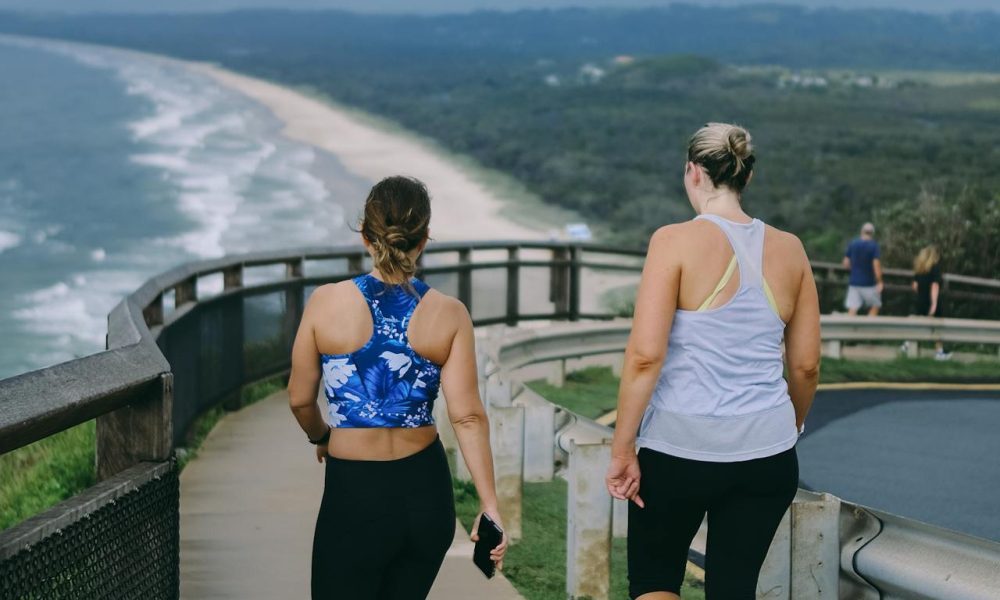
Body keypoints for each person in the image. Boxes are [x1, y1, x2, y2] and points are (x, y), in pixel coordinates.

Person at [606, 123, 821, 600]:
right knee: (733, 587)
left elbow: (645, 357)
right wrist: (791, 425)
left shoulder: (673, 241)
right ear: (747, 177)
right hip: (766, 453)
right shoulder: (791, 250)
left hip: (678, 448)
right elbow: (805, 366)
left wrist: (623, 450)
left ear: (693, 172)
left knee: (655, 580)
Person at [287, 175, 508, 599]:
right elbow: (467, 416)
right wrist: (489, 506)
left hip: (355, 495)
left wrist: (322, 436)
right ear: (423, 239)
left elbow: (299, 400)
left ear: (366, 237)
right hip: (425, 494)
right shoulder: (449, 313)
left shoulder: (326, 303)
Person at [906, 245, 951, 360]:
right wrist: (934, 304)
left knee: (918, 323)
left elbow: (915, 286)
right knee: (937, 327)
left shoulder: (920, 269)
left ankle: (907, 343)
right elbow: (935, 286)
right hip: (930, 301)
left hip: (920, 300)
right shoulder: (935, 268)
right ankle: (939, 352)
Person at [842, 222, 884, 316]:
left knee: (852, 308)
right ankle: (869, 327)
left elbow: (845, 263)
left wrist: (854, 268)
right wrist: (880, 281)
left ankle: (849, 329)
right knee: (875, 305)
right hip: (869, 283)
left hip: (854, 282)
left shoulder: (853, 243)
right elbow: (876, 265)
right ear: (872, 233)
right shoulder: (874, 246)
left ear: (862, 231)